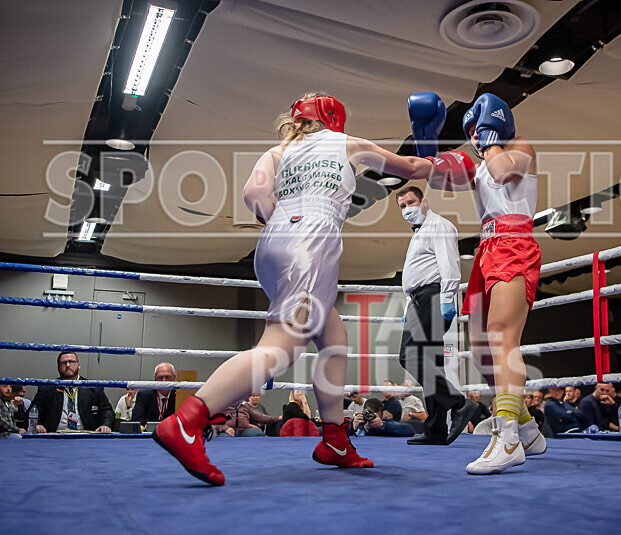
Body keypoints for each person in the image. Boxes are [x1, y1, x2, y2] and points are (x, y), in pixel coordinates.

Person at [153, 92, 475, 485]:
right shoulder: (346, 142)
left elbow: (253, 196)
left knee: (333, 336)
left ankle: (335, 440)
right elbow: (407, 166)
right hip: (310, 242)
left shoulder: (277, 151)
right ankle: (188, 420)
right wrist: (439, 161)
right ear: (333, 119)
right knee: (282, 346)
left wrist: (285, 223)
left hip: (275, 242)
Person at [411, 91, 544, 474]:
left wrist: (490, 139)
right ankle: (528, 429)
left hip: (515, 244)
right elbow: (438, 177)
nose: (474, 136)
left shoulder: (518, 146)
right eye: (469, 131)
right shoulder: (479, 163)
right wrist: (428, 144)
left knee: (503, 339)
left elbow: (504, 172)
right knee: (483, 354)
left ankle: (508, 439)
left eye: (477, 128)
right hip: (487, 250)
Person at [395, 182, 476, 445]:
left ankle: (459, 403)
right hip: (418, 300)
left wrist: (447, 299)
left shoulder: (438, 225)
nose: (407, 209)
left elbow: (449, 264)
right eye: (402, 206)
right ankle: (436, 428)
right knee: (429, 362)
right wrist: (409, 308)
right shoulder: (417, 234)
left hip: (433, 296)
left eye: (410, 203)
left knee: (409, 356)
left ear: (424, 202)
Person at [30, 351, 114, 433]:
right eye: (63, 363)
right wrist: (38, 424)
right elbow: (33, 410)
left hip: (86, 437)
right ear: (58, 367)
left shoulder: (93, 387)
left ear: (79, 365)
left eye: (71, 362)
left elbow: (107, 411)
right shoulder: (47, 388)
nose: (68, 365)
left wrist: (106, 425)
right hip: (54, 436)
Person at [350, 398, 415, 437]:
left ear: (381, 415)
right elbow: (341, 432)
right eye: (368, 415)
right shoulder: (358, 421)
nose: (370, 418)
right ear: (363, 413)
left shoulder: (386, 423)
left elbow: (410, 430)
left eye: (374, 416)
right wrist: (353, 428)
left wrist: (382, 425)